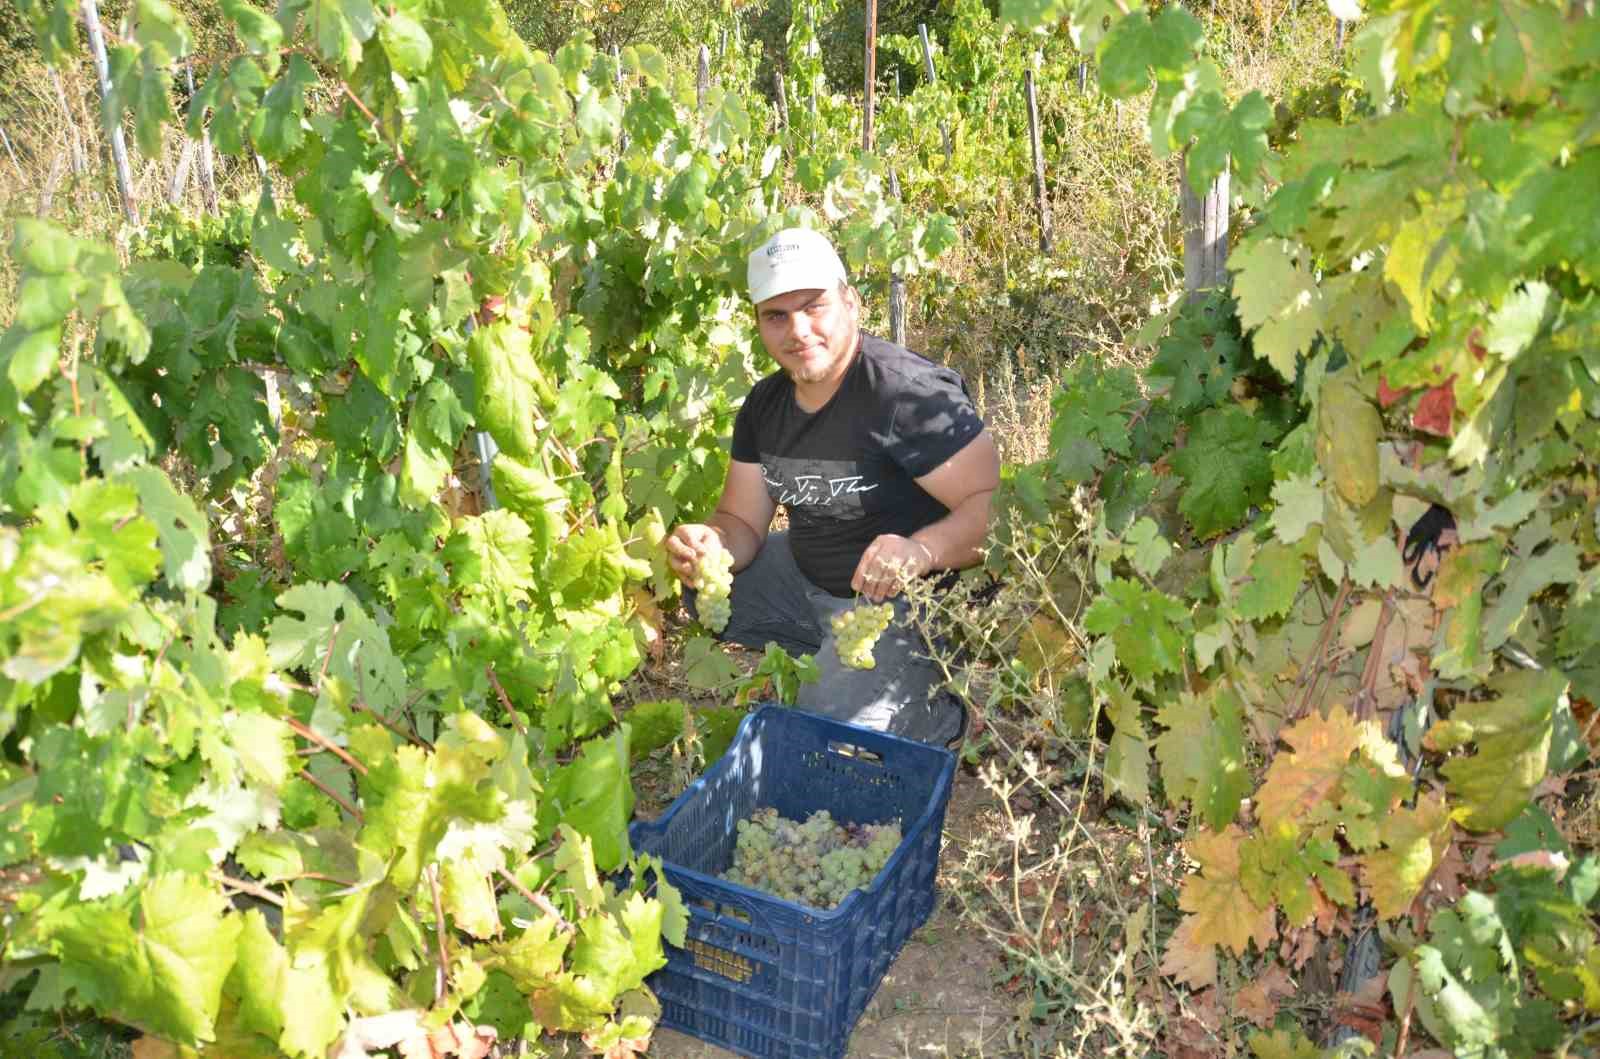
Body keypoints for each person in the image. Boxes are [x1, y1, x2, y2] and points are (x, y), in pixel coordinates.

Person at [664, 228, 1000, 746]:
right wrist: (711, 542)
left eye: (813, 306)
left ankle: (935, 707)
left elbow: (997, 511)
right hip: (812, 579)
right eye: (776, 315)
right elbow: (741, 521)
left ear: (851, 303)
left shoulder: (906, 396)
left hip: (911, 602)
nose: (798, 330)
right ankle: (841, 655)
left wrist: (921, 550)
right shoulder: (765, 406)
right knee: (700, 590)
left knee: (828, 726)